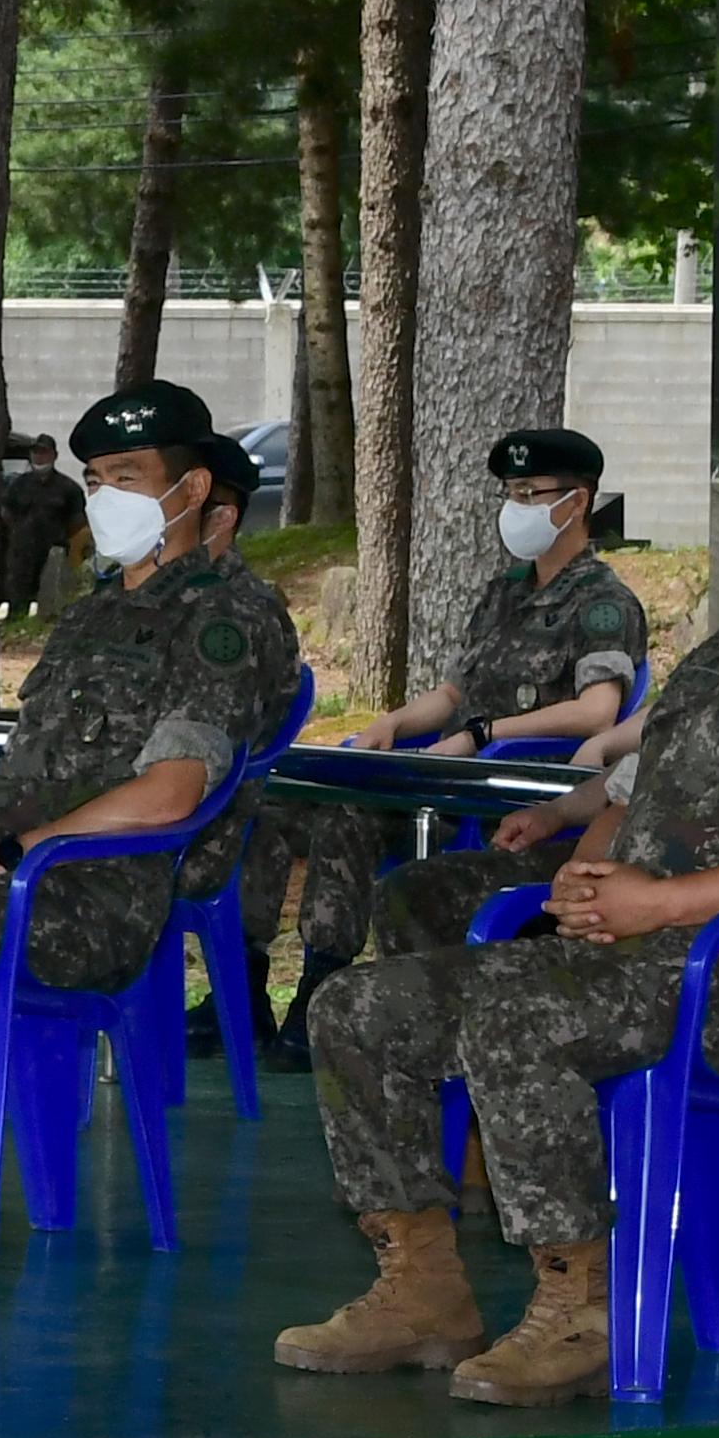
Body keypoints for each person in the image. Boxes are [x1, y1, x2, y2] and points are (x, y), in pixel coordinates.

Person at [284, 386, 719, 1405]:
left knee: (512, 1010)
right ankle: (421, 1289)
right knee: (357, 1007)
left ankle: (579, 1308)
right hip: (638, 949)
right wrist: (586, 871)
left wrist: (668, 905)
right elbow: (633, 793)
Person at [0, 381, 271, 1246]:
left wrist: (6, 855)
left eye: (128, 475)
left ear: (192, 493)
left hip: (94, 898)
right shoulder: (95, 613)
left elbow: (172, 791)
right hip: (9, 870)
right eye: (96, 478)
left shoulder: (219, 620)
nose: (105, 496)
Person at [270, 427, 645, 1054]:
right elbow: (452, 692)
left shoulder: (603, 602)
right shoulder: (505, 592)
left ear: (576, 503)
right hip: (448, 773)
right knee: (340, 808)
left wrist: (484, 735)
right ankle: (319, 974)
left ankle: (379, 999)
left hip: (507, 793)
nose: (516, 507)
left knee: (362, 821)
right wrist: (395, 723)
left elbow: (596, 710)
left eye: (530, 493)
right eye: (510, 493)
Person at [176, 430, 309, 1058]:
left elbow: (218, 748)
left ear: (219, 517)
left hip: (196, 815)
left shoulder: (237, 613)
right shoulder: (132, 603)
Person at [0, 433, 88, 616]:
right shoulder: (18, 485)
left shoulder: (68, 488)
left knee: (53, 598)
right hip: (22, 552)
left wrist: (59, 536)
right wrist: (19, 533)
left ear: (54, 455)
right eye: (35, 453)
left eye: (44, 452)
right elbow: (6, 513)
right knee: (17, 597)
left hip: (53, 551)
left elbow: (77, 521)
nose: (39, 457)